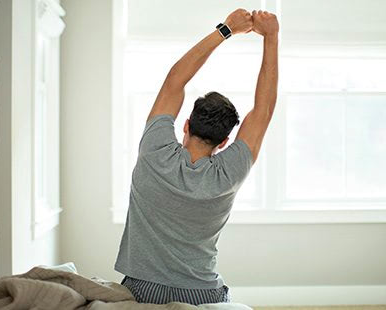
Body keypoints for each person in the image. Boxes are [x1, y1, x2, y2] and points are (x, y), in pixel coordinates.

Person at [115, 8, 279, 305]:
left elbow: (174, 82)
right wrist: (271, 37)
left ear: (186, 125)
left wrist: (226, 29)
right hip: (202, 294)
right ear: (226, 141)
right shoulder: (230, 172)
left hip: (141, 291)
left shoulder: (155, 150)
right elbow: (264, 109)